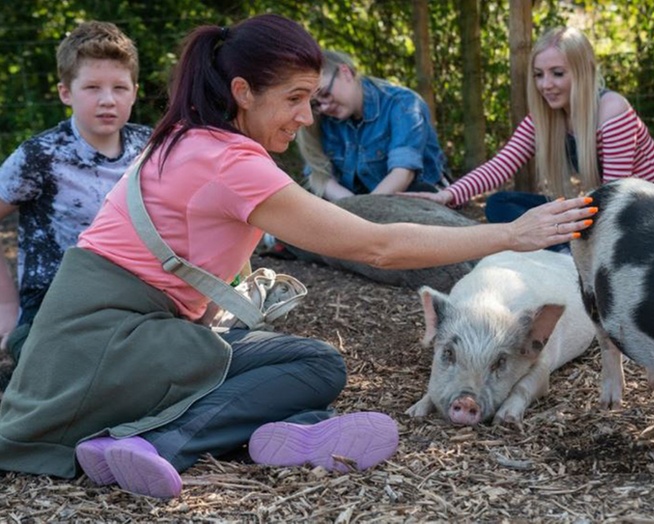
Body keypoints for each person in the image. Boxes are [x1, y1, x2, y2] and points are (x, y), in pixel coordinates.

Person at [0, 15, 595, 500]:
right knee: (314, 370)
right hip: (109, 344)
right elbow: (378, 245)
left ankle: (293, 431)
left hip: (95, 339)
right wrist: (508, 234)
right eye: (295, 98)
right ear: (242, 92)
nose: (308, 116)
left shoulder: (183, 137)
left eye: (312, 99)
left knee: (300, 365)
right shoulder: (231, 161)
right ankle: (155, 443)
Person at [402, 26, 654, 252]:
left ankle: (566, 253)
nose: (545, 85)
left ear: (584, 71)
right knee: (500, 204)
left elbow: (615, 195)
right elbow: (501, 165)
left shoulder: (611, 110)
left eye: (557, 73)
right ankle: (564, 250)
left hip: (644, 207)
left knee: (590, 222)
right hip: (600, 205)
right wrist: (448, 195)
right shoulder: (545, 117)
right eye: (539, 75)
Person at [0, 21, 151, 362]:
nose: (108, 100)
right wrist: (7, 307)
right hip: (54, 302)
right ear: (65, 92)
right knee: (66, 365)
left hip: (135, 297)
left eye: (120, 87)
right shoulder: (41, 155)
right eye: (92, 87)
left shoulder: (150, 148)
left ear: (134, 92)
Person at [296, 50, 449, 202]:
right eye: (315, 103)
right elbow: (319, 175)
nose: (323, 107)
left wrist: (363, 209)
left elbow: (403, 173)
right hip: (358, 203)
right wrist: (351, 204)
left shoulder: (403, 104)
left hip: (416, 197)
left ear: (345, 72)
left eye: (325, 94)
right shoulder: (322, 119)